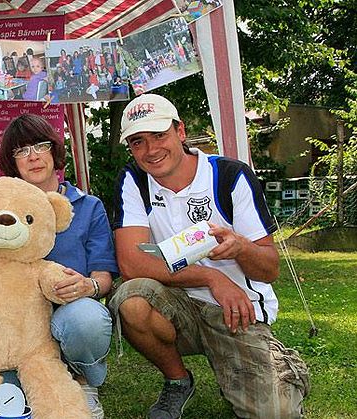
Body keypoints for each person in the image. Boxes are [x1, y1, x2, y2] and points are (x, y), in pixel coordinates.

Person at [108, 94, 310, 419]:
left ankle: (277, 367)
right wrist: (210, 277)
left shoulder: (230, 176)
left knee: (277, 413)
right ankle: (177, 381)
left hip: (234, 309)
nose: (151, 150)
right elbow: (131, 263)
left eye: (159, 135)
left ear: (181, 132)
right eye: (138, 141)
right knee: (131, 300)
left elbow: (270, 268)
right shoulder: (134, 180)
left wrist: (241, 247)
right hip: (176, 303)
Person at [0, 114, 117, 419]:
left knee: (86, 320)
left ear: (54, 150)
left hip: (68, 314)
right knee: (5, 396)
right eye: (21, 151)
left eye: (40, 146)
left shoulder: (89, 207)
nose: (33, 157)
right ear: (12, 161)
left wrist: (88, 286)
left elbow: (104, 277)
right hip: (13, 327)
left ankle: (83, 382)